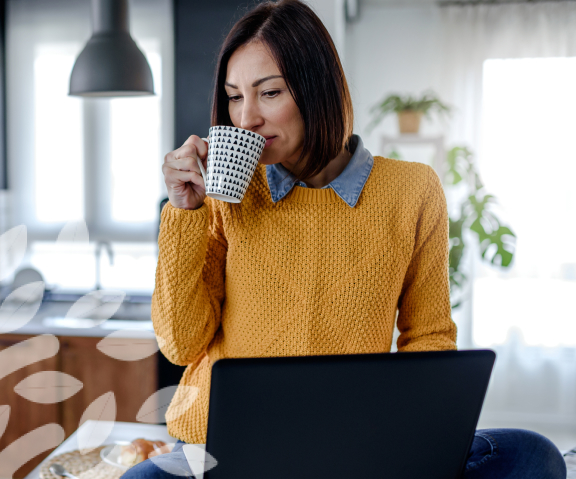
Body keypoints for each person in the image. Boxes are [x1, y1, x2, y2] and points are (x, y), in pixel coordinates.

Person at [120, 1, 567, 478]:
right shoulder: (228, 192)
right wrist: (184, 211)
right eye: (233, 97)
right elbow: (181, 345)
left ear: (318, 89)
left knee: (533, 457)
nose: (245, 117)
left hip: (361, 442)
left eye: (268, 92)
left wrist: (412, 437)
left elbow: (429, 335)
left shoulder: (411, 189)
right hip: (233, 445)